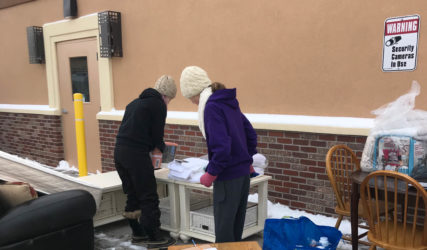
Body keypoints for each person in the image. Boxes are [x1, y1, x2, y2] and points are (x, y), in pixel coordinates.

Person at [180, 66, 258, 242]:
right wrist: (247, 159)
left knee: (224, 232)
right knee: (235, 228)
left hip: (227, 177)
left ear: (195, 91)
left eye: (190, 97)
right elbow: (250, 134)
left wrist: (211, 173)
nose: (192, 102)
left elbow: (221, 148)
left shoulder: (211, 107)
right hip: (243, 176)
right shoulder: (228, 103)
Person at [114, 75, 176, 246]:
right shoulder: (158, 105)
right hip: (135, 155)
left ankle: (138, 232)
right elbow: (157, 135)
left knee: (133, 193)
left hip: (119, 153)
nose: (168, 103)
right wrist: (163, 150)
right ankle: (155, 237)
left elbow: (137, 131)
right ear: (165, 95)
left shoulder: (133, 104)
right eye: (169, 99)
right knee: (149, 196)